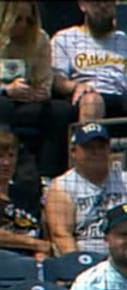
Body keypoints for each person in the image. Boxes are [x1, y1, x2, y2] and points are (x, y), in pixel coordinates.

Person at [51, 0, 127, 187]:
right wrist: (74, 86)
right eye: (97, 2)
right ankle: (87, 180)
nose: (103, 6)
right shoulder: (65, 38)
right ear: (83, 5)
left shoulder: (125, 42)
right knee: (93, 101)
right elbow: (56, 78)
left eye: (108, 2)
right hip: (88, 95)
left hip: (123, 96)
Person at [0, 0, 72, 180]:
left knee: (61, 111)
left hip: (27, 100)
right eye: (18, 19)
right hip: (4, 99)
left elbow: (45, 80)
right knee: (3, 106)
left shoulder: (40, 39)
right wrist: (6, 89)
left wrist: (39, 92)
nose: (23, 25)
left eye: (29, 20)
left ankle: (47, 176)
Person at [43, 123, 127, 256]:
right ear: (73, 152)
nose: (97, 152)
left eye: (101, 147)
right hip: (85, 258)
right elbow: (61, 236)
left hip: (125, 258)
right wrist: (79, 266)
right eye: (89, 147)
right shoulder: (62, 185)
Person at [0, 131, 46, 258]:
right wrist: (36, 244)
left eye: (11, 156)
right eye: (0, 156)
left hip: (30, 264)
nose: (6, 163)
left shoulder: (25, 195)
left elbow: (40, 233)